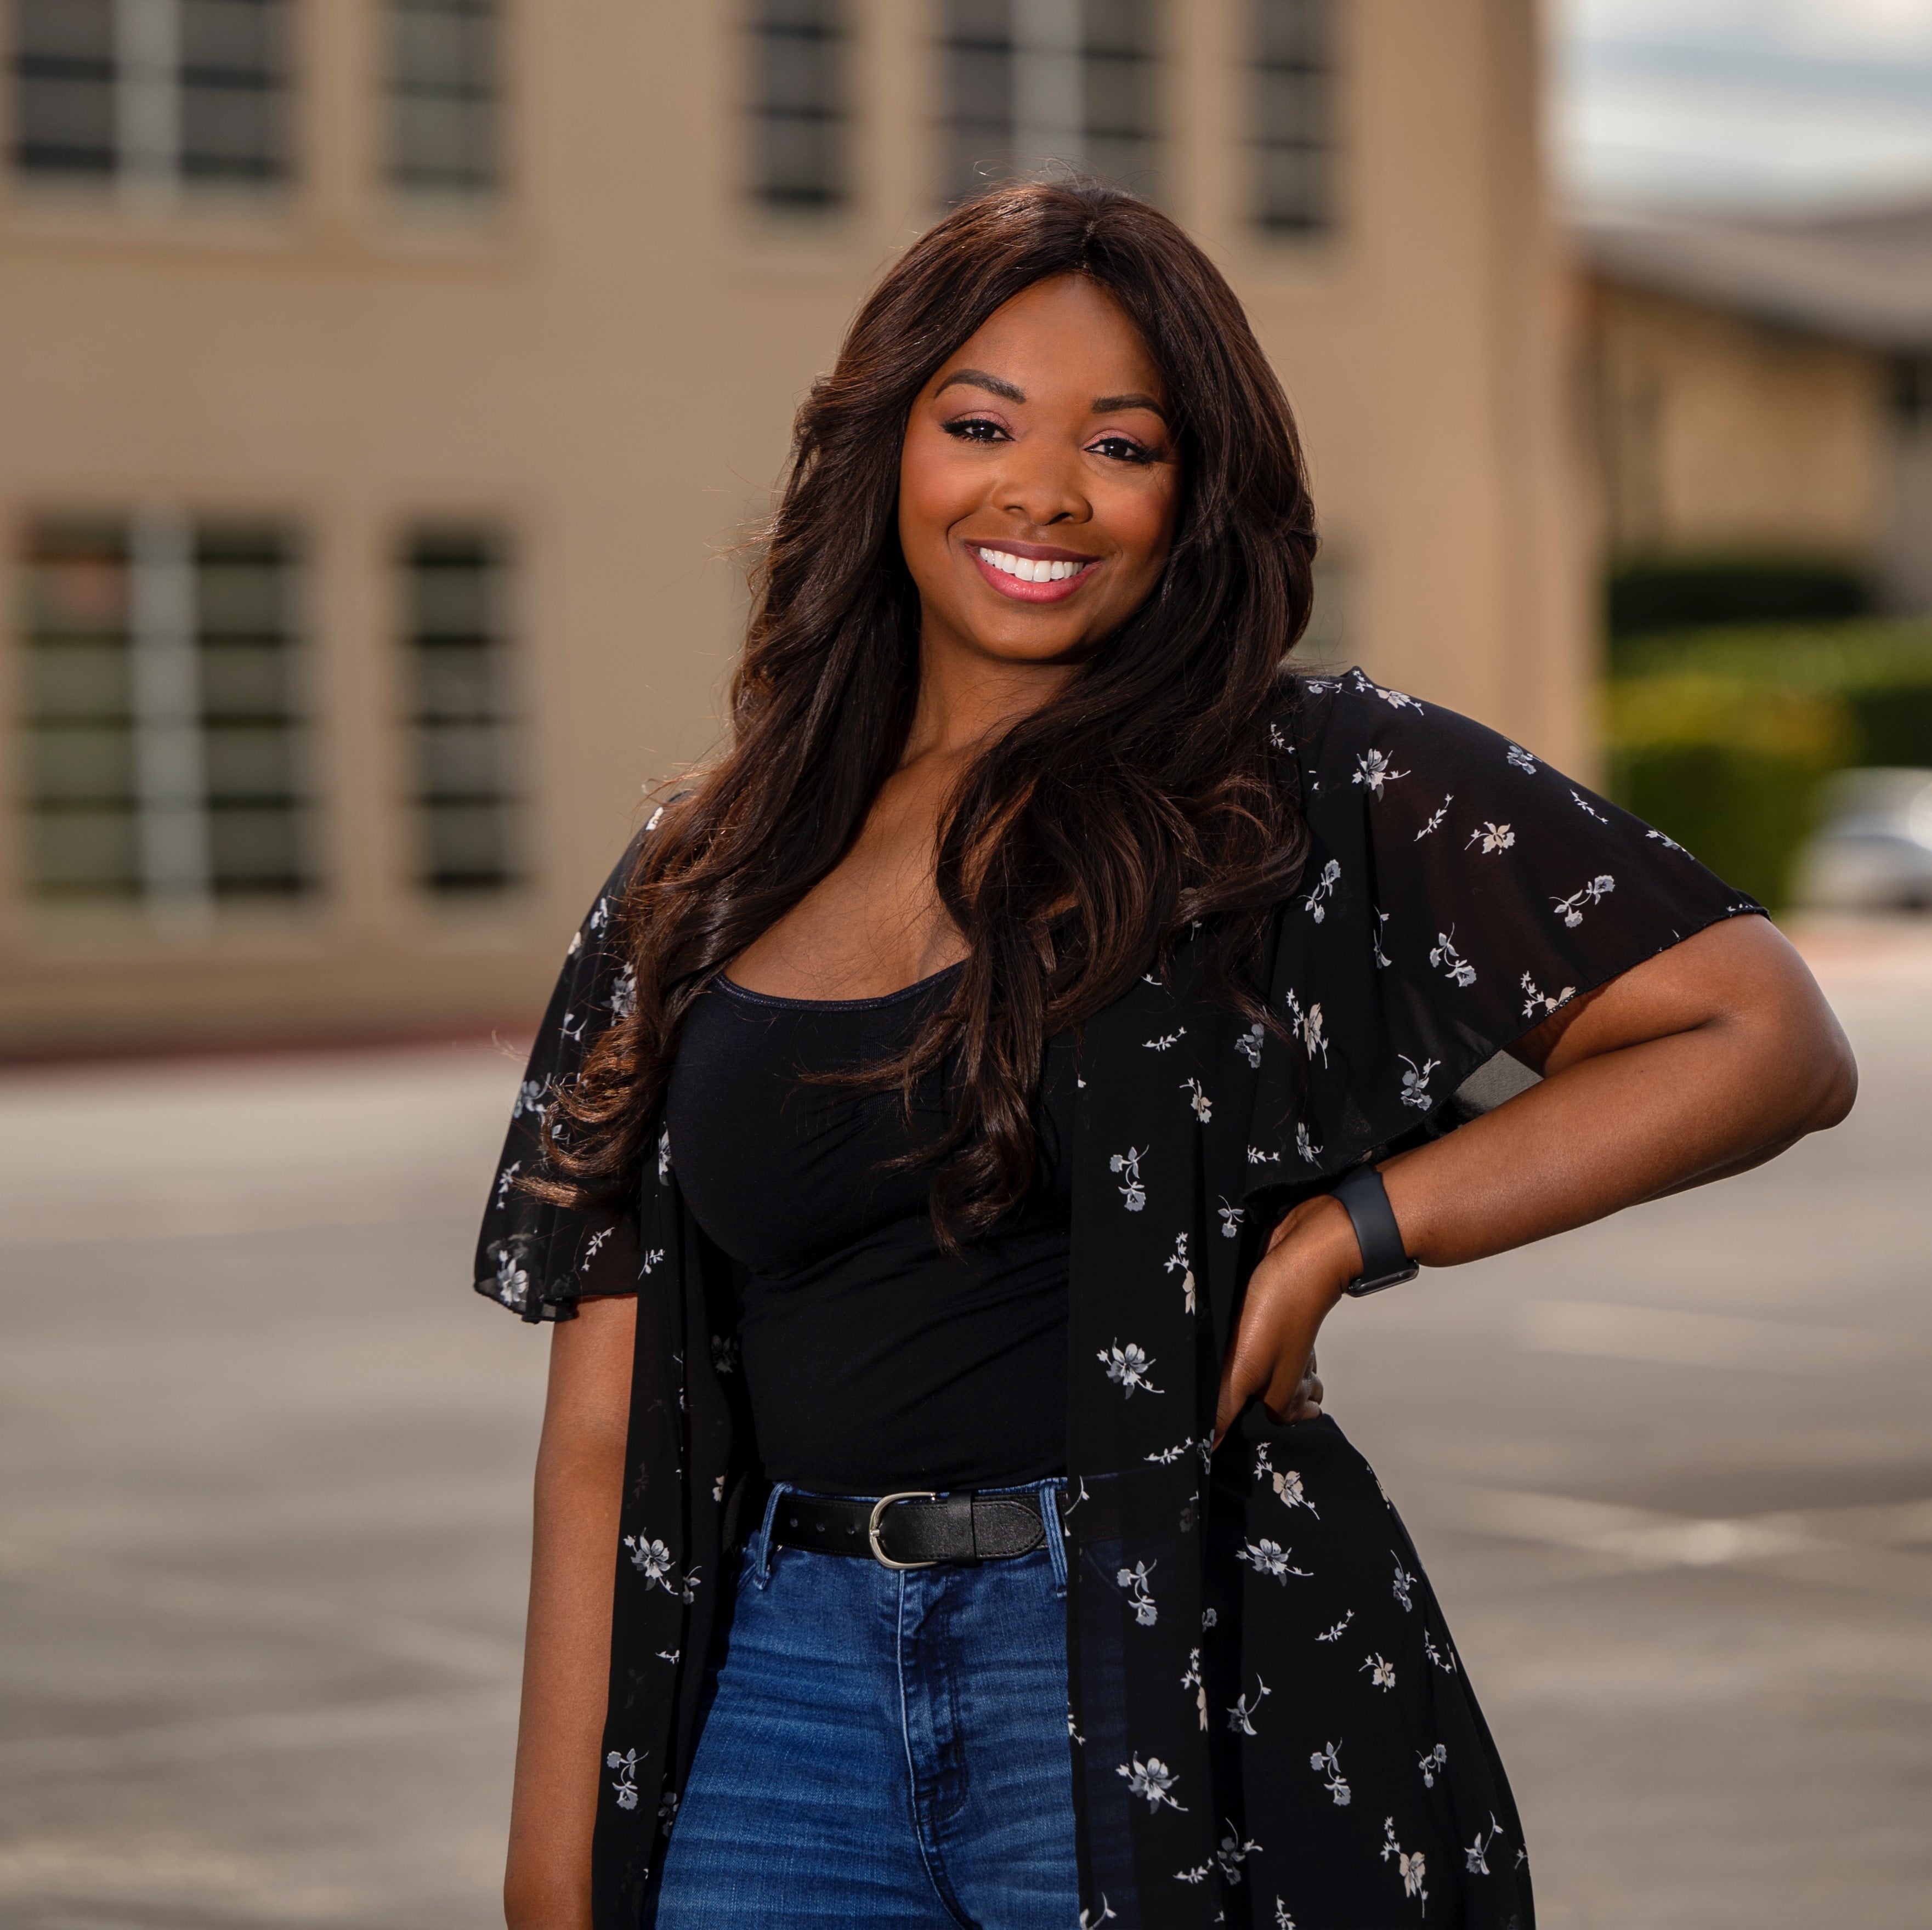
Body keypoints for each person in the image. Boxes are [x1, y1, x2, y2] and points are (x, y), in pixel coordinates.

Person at [475, 180, 1855, 1930]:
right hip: (782, 1698)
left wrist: (1354, 1226)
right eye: (979, 424)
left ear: (1196, 493)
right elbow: (602, 1426)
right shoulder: (704, 869)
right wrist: (552, 1874)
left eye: (1119, 445)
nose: (1041, 490)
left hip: (1167, 1662)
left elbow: (1758, 1032)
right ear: (882, 452)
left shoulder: (1304, 780)